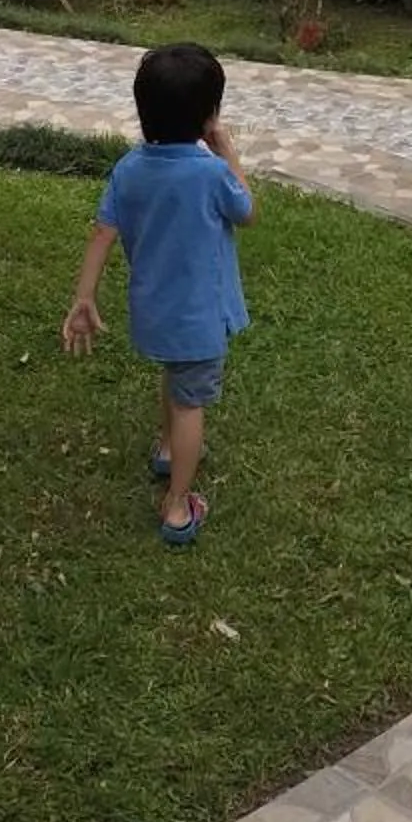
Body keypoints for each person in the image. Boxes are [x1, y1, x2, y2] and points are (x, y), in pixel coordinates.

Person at [60, 42, 255, 547]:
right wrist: (227, 149)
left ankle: (168, 448)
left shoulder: (129, 169)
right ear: (207, 116)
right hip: (199, 316)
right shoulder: (211, 173)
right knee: (193, 403)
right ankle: (176, 506)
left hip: (153, 311)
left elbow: (102, 232)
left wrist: (84, 297)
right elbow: (247, 211)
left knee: (174, 375)